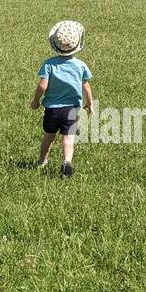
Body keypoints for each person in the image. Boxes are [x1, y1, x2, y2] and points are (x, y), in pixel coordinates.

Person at [31, 20, 92, 178]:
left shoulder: (49, 64)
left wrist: (36, 100)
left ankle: (43, 161)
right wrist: (90, 104)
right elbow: (86, 86)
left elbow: (43, 86)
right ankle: (66, 162)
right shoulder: (80, 66)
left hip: (52, 109)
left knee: (49, 135)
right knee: (68, 138)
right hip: (72, 109)